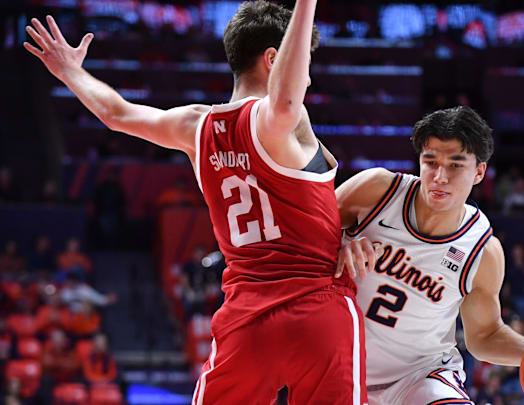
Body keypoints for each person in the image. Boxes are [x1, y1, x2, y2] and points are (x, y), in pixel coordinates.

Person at [25, 2, 367, 403]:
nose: (307, 77)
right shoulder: (282, 121)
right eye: (304, 62)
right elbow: (285, 104)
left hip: (246, 318)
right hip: (317, 307)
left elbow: (116, 114)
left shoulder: (194, 126)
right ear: (274, 59)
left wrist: (70, 71)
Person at [337, 107, 524, 404]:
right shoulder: (376, 192)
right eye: (430, 162)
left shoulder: (482, 251)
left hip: (420, 376)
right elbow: (299, 236)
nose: (440, 176)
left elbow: (484, 337)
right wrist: (335, 245)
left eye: (455, 165)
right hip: (339, 368)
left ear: (479, 172)